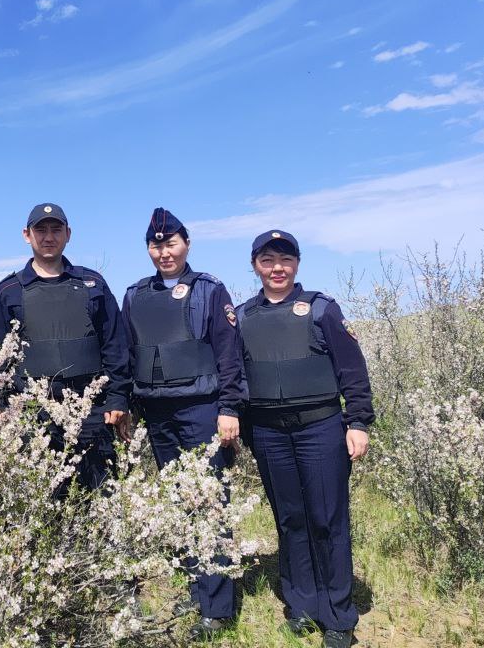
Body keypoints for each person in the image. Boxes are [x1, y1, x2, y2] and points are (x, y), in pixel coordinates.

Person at [235, 230, 373, 648]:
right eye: (267, 260)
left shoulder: (321, 310)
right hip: (268, 432)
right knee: (290, 519)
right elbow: (236, 376)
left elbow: (352, 369)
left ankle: (338, 617)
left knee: (327, 520)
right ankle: (300, 606)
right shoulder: (241, 317)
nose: (277, 267)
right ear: (255, 265)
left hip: (321, 427)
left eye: (285, 259)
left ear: (297, 264)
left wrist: (359, 422)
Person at [122, 208, 245, 639]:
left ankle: (217, 608)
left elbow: (229, 354)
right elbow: (129, 355)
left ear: (186, 244)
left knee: (209, 502)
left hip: (201, 410)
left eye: (171, 242)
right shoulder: (135, 295)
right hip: (157, 415)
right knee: (179, 505)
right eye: (156, 244)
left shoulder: (209, 290)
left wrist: (230, 408)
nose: (164, 251)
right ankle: (197, 588)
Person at [0, 203, 130, 493]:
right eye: (41, 229)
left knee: (103, 498)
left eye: (56, 229)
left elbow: (115, 345)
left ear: (68, 234)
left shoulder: (93, 284)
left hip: (92, 410)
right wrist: (2, 408)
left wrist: (118, 399)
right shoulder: (8, 291)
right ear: (27, 235)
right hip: (34, 413)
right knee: (44, 502)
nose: (48, 236)